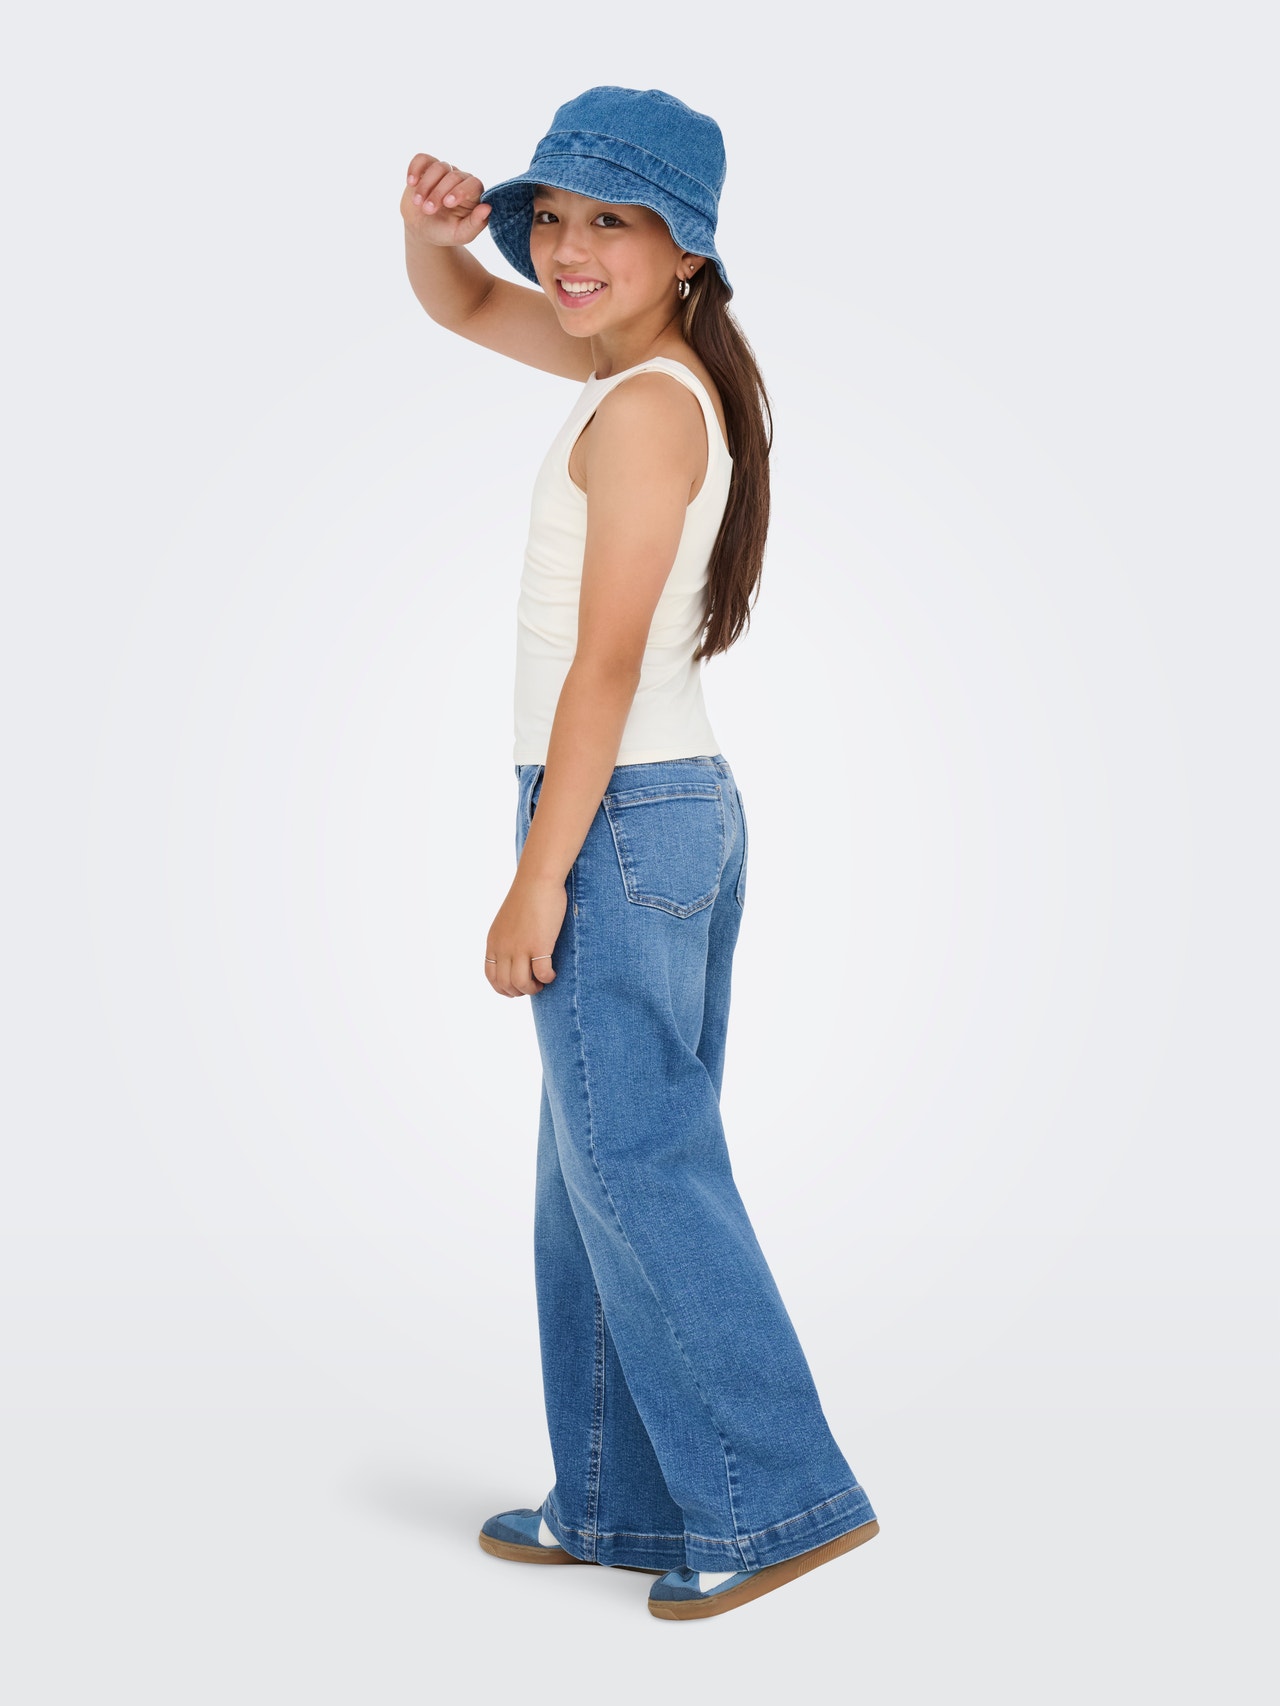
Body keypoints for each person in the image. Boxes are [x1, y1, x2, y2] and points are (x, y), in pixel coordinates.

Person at [401, 85, 879, 1622]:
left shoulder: (652, 404)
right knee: (590, 1172)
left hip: (613, 810)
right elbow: (462, 302)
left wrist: (539, 873)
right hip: (649, 807)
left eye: (611, 218)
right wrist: (434, 233)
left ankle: (778, 1497)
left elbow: (604, 663)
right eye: (553, 213)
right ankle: (616, 1496)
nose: (568, 245)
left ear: (691, 251)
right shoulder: (631, 368)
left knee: (639, 1164)